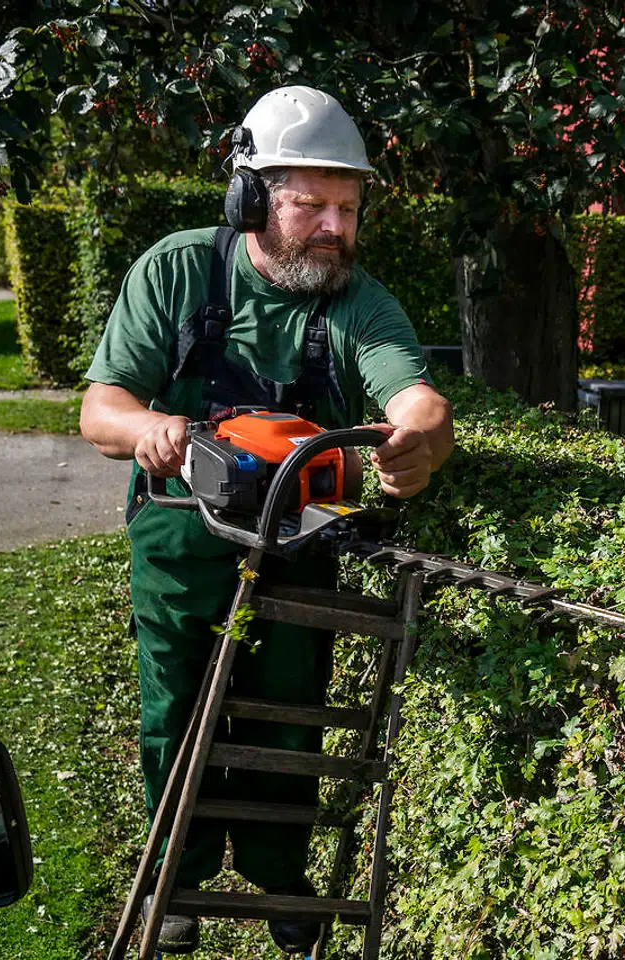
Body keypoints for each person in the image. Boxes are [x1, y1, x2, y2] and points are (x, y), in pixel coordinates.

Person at [79, 86, 454, 955]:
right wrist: (151, 428)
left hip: (301, 529)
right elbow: (101, 410)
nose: (334, 225)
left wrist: (418, 442)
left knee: (291, 702)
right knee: (176, 704)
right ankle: (178, 874)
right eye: (311, 203)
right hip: (179, 529)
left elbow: (419, 398)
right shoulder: (177, 269)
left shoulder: (358, 300)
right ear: (251, 197)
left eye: (348, 207)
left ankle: (284, 880)